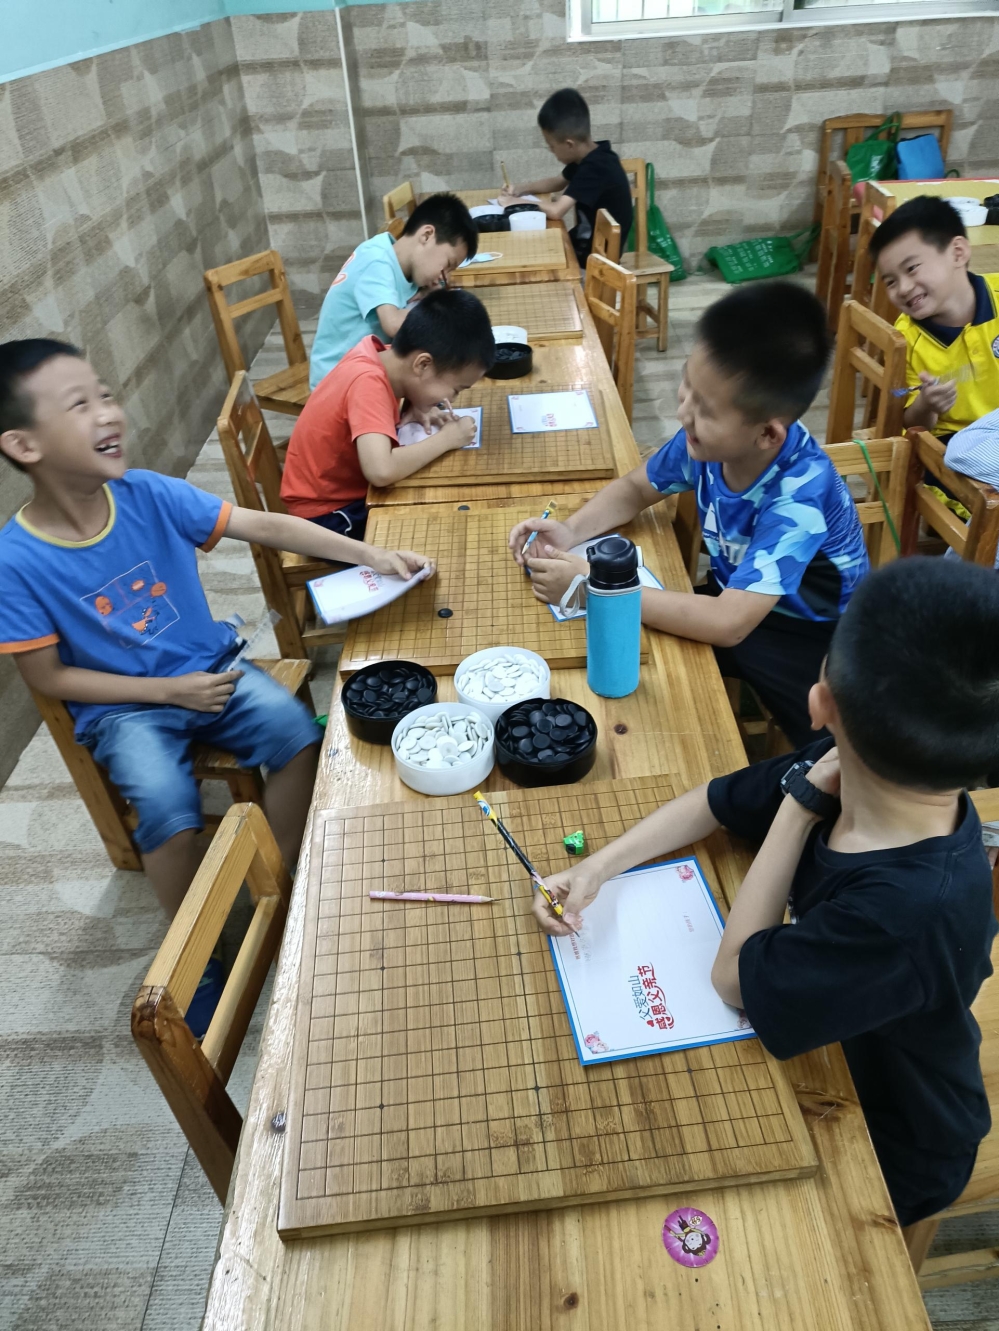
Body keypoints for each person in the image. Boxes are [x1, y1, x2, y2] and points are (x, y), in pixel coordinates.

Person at [534, 556, 999, 1234]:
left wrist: (797, 808)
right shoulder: (860, 760)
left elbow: (731, 978)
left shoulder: (905, 910)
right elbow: (713, 800)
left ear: (820, 701)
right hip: (836, 1040)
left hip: (894, 1137)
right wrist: (599, 867)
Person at [0, 338, 434, 921]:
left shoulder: (148, 492)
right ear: (24, 445)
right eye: (79, 405)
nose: (108, 413)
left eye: (105, 395)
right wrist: (167, 692)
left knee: (298, 736)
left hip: (213, 669)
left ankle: (278, 883)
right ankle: (195, 947)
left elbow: (265, 526)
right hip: (125, 707)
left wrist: (368, 554)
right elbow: (49, 677)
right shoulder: (15, 561)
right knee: (167, 811)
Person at [508, 282, 868, 748]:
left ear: (767, 434)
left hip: (808, 637)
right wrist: (570, 530)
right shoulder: (708, 442)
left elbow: (727, 624)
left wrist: (595, 586)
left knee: (821, 761)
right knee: (635, 664)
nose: (684, 412)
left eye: (705, 409)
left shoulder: (799, 495)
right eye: (687, 386)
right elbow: (635, 489)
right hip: (735, 599)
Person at [282, 288, 494, 539]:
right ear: (423, 364)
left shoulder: (384, 357)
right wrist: (448, 439)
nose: (452, 400)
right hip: (327, 517)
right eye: (456, 389)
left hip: (342, 495)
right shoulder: (367, 383)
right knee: (434, 533)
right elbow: (381, 471)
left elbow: (404, 383)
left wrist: (416, 404)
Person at [309, 192, 478, 389]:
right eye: (448, 264)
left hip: (365, 370)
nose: (445, 277)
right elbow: (393, 324)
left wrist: (428, 294)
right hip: (336, 382)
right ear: (426, 235)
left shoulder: (407, 265)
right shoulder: (377, 260)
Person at [870, 195, 999, 439]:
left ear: (957, 253)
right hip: (953, 444)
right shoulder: (905, 339)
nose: (903, 288)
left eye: (911, 268)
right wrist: (926, 405)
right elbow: (913, 426)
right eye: (891, 281)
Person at [499, 87, 632, 269]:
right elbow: (557, 182)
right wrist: (520, 189)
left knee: (531, 258)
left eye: (551, 146)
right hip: (584, 247)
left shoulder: (596, 168)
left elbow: (556, 210)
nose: (551, 151)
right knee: (533, 247)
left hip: (595, 263)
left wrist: (514, 203)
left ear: (569, 144)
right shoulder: (591, 156)